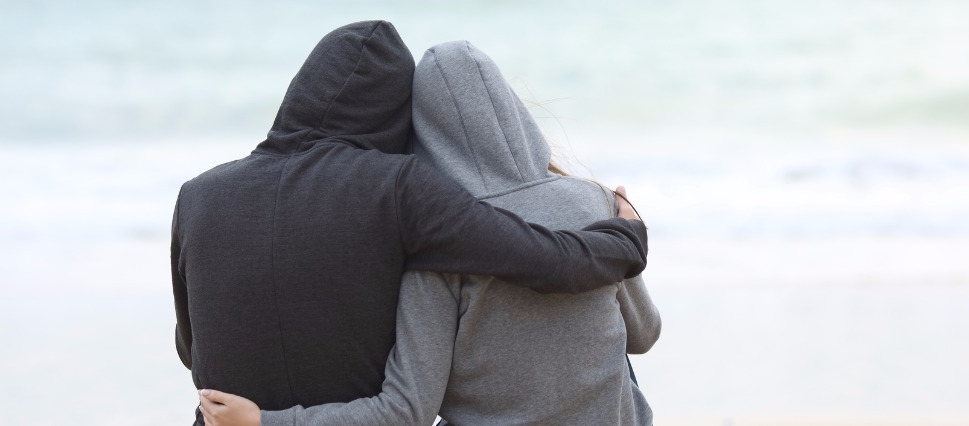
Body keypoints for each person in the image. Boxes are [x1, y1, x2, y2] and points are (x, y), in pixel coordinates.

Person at [172, 22, 649, 426]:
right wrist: (626, 231)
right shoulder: (395, 187)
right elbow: (549, 261)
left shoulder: (196, 194)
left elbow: (189, 349)